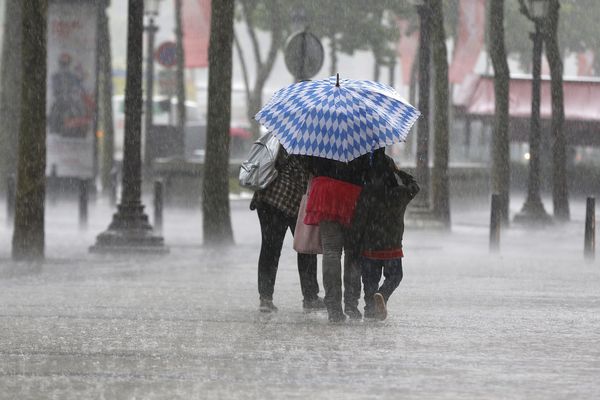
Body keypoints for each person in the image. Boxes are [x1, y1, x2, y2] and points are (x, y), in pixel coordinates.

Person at [250, 149, 325, 313]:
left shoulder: (285, 135)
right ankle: (310, 297)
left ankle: (265, 298)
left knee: (270, 249)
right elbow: (314, 172)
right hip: (288, 200)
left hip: (268, 197)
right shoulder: (310, 144)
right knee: (305, 248)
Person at [348, 149, 419, 320]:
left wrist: (355, 242)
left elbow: (359, 220)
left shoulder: (367, 193)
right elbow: (415, 186)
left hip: (370, 244)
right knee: (395, 276)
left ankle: (370, 309)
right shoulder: (400, 193)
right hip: (392, 244)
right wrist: (398, 170)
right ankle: (383, 294)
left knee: (370, 281)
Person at [302, 155, 370, 322]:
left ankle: (333, 307)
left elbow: (307, 162)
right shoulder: (364, 132)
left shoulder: (319, 131)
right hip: (354, 192)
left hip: (326, 190)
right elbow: (372, 167)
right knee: (353, 253)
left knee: (331, 251)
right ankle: (351, 304)